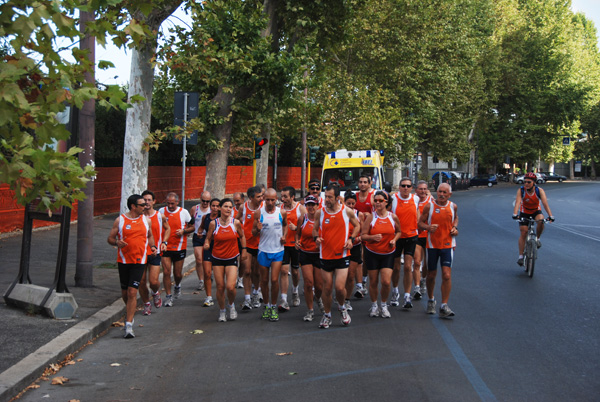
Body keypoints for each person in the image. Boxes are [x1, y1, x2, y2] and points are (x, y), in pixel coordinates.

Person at [107, 194, 156, 338]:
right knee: (125, 293)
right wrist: (116, 243)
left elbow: (150, 236)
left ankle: (128, 325)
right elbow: (110, 238)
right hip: (123, 261)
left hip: (139, 261)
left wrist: (152, 247)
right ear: (134, 206)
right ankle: (130, 312)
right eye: (142, 205)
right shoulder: (120, 220)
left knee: (132, 292)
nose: (145, 206)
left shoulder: (147, 220)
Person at [313, 184, 361, 329]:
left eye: (329, 197)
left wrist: (351, 239)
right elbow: (314, 230)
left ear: (336, 197)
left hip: (342, 254)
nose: (326, 199)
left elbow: (357, 226)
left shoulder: (346, 211)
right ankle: (327, 315)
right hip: (325, 255)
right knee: (327, 289)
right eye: (325, 196)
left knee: (340, 288)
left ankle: (342, 307)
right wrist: (316, 238)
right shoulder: (320, 213)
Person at [418, 183, 458, 318]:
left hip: (447, 245)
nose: (441, 194)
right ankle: (430, 300)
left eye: (444, 193)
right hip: (432, 245)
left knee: (446, 275)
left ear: (449, 195)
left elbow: (455, 218)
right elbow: (420, 223)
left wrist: (455, 228)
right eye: (439, 192)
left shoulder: (453, 206)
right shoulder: (429, 207)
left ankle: (444, 305)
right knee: (431, 275)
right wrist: (428, 228)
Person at [204, 198, 247, 322]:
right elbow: (208, 238)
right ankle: (222, 311)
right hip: (217, 258)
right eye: (226, 206)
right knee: (220, 287)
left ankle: (231, 305)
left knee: (230, 287)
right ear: (220, 208)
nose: (228, 209)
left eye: (230, 207)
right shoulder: (214, 224)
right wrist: (207, 244)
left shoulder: (236, 223)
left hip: (232, 257)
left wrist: (244, 250)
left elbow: (242, 237)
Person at [361, 191, 402, 318]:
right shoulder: (371, 217)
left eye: (380, 200)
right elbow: (363, 236)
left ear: (386, 202)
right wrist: (372, 237)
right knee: (373, 281)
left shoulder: (392, 217)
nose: (377, 203)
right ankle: (374, 306)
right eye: (376, 200)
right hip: (372, 253)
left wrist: (394, 240)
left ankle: (383, 305)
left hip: (388, 253)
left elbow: (399, 232)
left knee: (385, 282)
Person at [253, 188, 288, 322]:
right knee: (264, 280)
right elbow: (253, 232)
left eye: (272, 200)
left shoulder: (282, 212)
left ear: (276, 199)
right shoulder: (258, 213)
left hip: (278, 250)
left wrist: (284, 236)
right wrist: (257, 229)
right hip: (263, 250)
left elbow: (285, 226)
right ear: (263, 199)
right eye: (267, 199)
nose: (270, 202)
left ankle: (273, 306)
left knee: (274, 280)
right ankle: (266, 306)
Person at [158, 192, 194, 307]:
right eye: (168, 203)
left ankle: (177, 286)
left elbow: (193, 226)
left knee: (177, 274)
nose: (170, 206)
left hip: (179, 246)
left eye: (172, 204)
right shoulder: (161, 212)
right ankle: (168, 297)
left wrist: (184, 231)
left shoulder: (184, 212)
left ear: (177, 202)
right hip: (165, 246)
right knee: (167, 272)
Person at [138, 190, 170, 315]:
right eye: (144, 200)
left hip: (154, 252)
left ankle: (155, 293)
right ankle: (146, 303)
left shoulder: (159, 216)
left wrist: (164, 242)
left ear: (154, 201)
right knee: (141, 281)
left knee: (153, 281)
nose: (147, 202)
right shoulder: (138, 218)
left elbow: (168, 228)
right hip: (140, 253)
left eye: (149, 200)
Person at [512, 172, 555, 266]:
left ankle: (537, 239)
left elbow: (545, 204)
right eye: (525, 182)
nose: (526, 184)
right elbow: (518, 203)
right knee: (523, 232)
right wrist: (515, 214)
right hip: (524, 212)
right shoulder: (521, 190)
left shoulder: (539, 191)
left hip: (536, 211)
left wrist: (551, 216)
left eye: (528, 182)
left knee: (541, 221)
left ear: (534, 183)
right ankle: (520, 257)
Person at [390, 178, 420, 310]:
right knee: (396, 267)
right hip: (397, 237)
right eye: (403, 186)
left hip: (411, 236)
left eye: (408, 186)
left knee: (408, 267)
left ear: (412, 187)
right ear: (399, 187)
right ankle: (395, 291)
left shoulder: (416, 199)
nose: (405, 188)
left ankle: (407, 295)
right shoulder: (393, 198)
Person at [295, 195, 324, 322]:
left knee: (319, 286)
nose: (311, 207)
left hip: (319, 254)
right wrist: (297, 242)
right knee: (308, 283)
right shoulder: (302, 218)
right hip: (306, 253)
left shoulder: (322, 219)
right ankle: (310, 310)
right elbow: (298, 233)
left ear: (318, 206)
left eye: (313, 205)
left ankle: (318, 298)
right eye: (309, 205)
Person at [236, 185, 263, 309]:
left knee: (257, 272)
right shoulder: (243, 207)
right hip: (247, 244)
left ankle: (256, 293)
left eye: (262, 196)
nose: (261, 198)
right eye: (258, 197)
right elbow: (235, 221)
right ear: (251, 198)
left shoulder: (264, 208)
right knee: (247, 271)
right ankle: (247, 299)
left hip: (261, 244)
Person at [279, 186, 305, 311]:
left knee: (295, 271)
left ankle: (295, 291)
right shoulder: (279, 209)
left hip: (295, 245)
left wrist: (297, 228)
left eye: (285, 196)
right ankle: (284, 299)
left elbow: (309, 225)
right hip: (282, 245)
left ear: (292, 197)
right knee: (284, 271)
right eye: (282, 196)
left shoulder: (300, 209)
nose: (283, 199)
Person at [343, 191, 365, 312]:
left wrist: (357, 239)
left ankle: (347, 299)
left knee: (351, 275)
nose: (351, 206)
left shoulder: (359, 214)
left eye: (352, 203)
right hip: (343, 247)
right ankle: (341, 293)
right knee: (342, 275)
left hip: (355, 247)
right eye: (348, 203)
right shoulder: (341, 213)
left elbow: (362, 231)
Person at [353, 174, 374, 297]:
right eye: (360, 182)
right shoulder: (354, 197)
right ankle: (359, 285)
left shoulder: (372, 198)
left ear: (369, 184)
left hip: (367, 231)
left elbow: (377, 212)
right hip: (355, 231)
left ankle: (364, 280)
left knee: (365, 259)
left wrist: (368, 215)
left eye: (365, 182)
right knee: (358, 259)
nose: (362, 184)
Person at [199, 198, 220, 307]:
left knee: (219, 276)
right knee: (207, 273)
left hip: (219, 248)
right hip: (207, 247)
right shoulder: (205, 217)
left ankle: (220, 294)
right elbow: (201, 228)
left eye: (217, 206)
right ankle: (208, 297)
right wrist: (199, 233)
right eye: (213, 206)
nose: (215, 208)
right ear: (210, 207)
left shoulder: (222, 218)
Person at [190, 191, 212, 292]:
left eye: (208, 201)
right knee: (199, 259)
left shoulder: (212, 209)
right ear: (200, 199)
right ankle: (201, 281)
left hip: (209, 237)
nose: (205, 203)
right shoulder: (195, 209)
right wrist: (189, 230)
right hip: (197, 237)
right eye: (203, 201)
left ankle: (208, 275)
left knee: (208, 260)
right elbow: (190, 222)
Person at [414, 181, 432, 298]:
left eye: (425, 189)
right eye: (420, 189)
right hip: (416, 235)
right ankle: (416, 288)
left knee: (427, 264)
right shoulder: (413, 200)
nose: (423, 191)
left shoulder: (431, 202)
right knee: (416, 262)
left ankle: (423, 280)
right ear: (416, 190)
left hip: (428, 236)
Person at [232, 192, 246, 288]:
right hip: (234, 238)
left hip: (245, 238)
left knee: (243, 260)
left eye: (238, 201)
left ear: (243, 199)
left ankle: (240, 278)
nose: (236, 203)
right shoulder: (231, 210)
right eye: (235, 201)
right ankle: (234, 278)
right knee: (235, 260)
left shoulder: (247, 209)